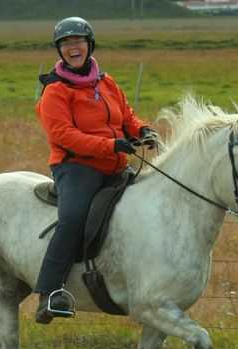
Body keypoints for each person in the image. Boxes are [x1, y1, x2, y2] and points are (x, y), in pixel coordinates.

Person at [33, 16, 158, 324]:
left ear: (89, 45)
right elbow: (63, 135)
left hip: (115, 164)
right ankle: (49, 293)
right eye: (65, 43)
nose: (72, 47)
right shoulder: (55, 91)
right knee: (73, 217)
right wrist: (111, 145)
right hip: (76, 166)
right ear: (59, 50)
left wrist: (142, 130)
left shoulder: (106, 82)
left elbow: (127, 116)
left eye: (77, 41)